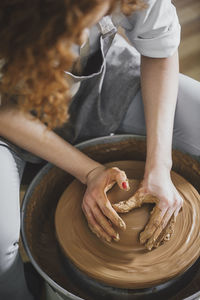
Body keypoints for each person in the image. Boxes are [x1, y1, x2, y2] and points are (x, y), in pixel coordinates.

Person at [0, 0, 199, 299]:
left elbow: (160, 49)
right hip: (13, 118)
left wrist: (160, 165)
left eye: (93, 19)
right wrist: (89, 170)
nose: (82, 40)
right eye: (71, 28)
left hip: (101, 83)